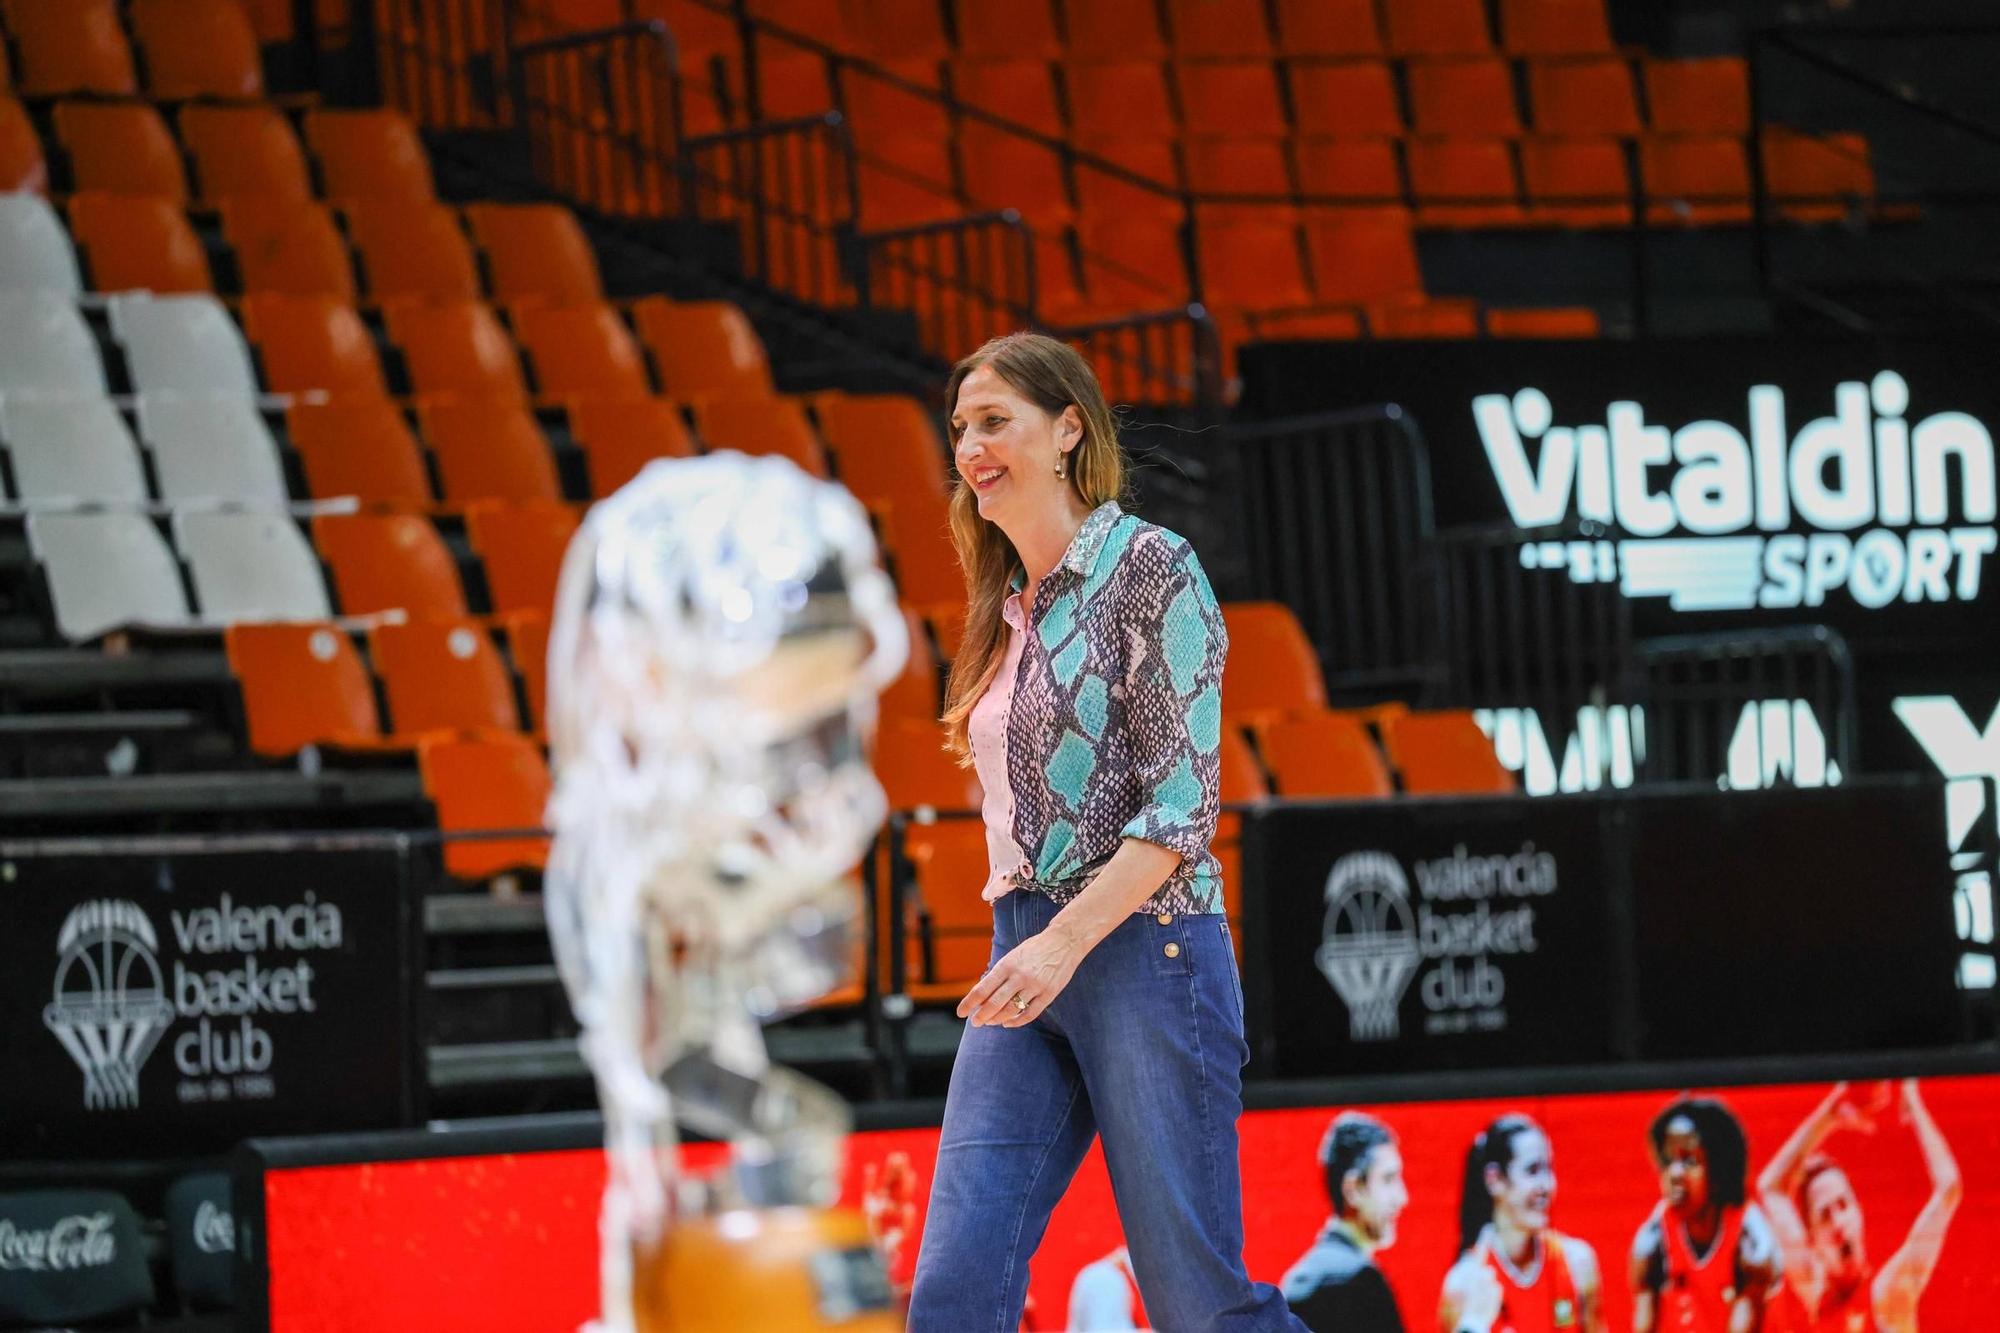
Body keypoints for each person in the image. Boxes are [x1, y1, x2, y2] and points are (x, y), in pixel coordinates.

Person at [904, 332, 1304, 1333]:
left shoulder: (1152, 567)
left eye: (995, 421)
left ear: (1067, 427)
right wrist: (1032, 942)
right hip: (1023, 951)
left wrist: (1060, 942)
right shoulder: (1005, 605)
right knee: (951, 1292)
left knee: (1196, 1307)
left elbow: (1180, 810)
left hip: (1143, 952)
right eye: (959, 428)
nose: (970, 447)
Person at [1757, 1079, 1961, 1333]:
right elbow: (1769, 1187)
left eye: (1843, 1206)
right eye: (1825, 1216)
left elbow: (1949, 1188)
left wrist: (1914, 1104)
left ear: (1859, 1211)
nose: (1839, 1223)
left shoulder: (1887, 1296)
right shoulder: (1816, 1290)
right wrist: (1830, 1112)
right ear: (1813, 1242)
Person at [1629, 1097, 1783, 1333]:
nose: (1675, 1174)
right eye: (1669, 1161)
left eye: (1690, 1161)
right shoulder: (1651, 1241)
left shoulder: (1752, 1244)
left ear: (1719, 1170)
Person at [1439, 1114, 1603, 1333]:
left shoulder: (1577, 1260)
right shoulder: (1465, 1283)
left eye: (1548, 1169)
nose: (1546, 1186)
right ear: (1495, 1180)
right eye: (1533, 1171)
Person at [1281, 1111, 1409, 1331]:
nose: (1402, 1197)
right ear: (1353, 1189)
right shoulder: (1360, 1281)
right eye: (1388, 1179)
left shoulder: (1296, 1280)